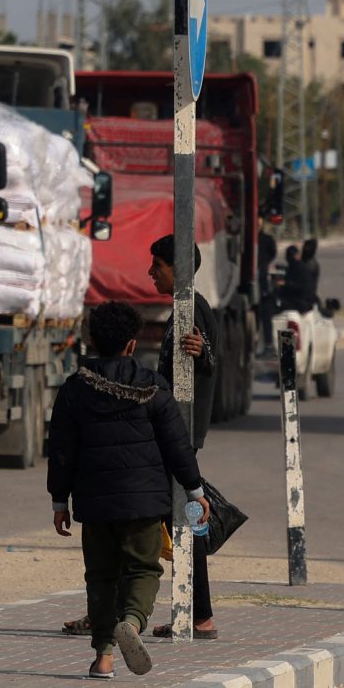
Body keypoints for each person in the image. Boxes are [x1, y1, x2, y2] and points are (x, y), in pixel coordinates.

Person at [48, 301, 204, 679]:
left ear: (91, 341)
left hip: (94, 502)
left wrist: (59, 499)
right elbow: (176, 445)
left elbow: (61, 450)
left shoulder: (74, 390)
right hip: (144, 501)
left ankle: (103, 657)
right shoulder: (152, 386)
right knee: (142, 568)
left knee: (100, 576)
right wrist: (195, 491)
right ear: (132, 345)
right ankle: (132, 623)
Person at [146, 234, 219, 640]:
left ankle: (199, 614)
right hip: (176, 435)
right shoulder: (180, 309)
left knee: (186, 522)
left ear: (178, 268)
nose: (151, 272)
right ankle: (195, 613)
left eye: (158, 264)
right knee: (184, 521)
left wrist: (200, 350)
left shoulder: (193, 308)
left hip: (180, 437)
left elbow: (209, 357)